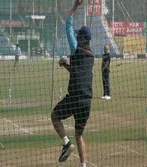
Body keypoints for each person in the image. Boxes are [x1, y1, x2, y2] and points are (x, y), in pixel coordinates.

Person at [51, 0, 93, 167]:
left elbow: (68, 25)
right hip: (87, 101)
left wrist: (75, 6)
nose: (75, 36)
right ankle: (83, 165)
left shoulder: (76, 48)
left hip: (75, 97)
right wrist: (66, 64)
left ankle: (66, 143)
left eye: (78, 35)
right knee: (79, 134)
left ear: (82, 39)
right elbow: (77, 71)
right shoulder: (91, 55)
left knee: (54, 116)